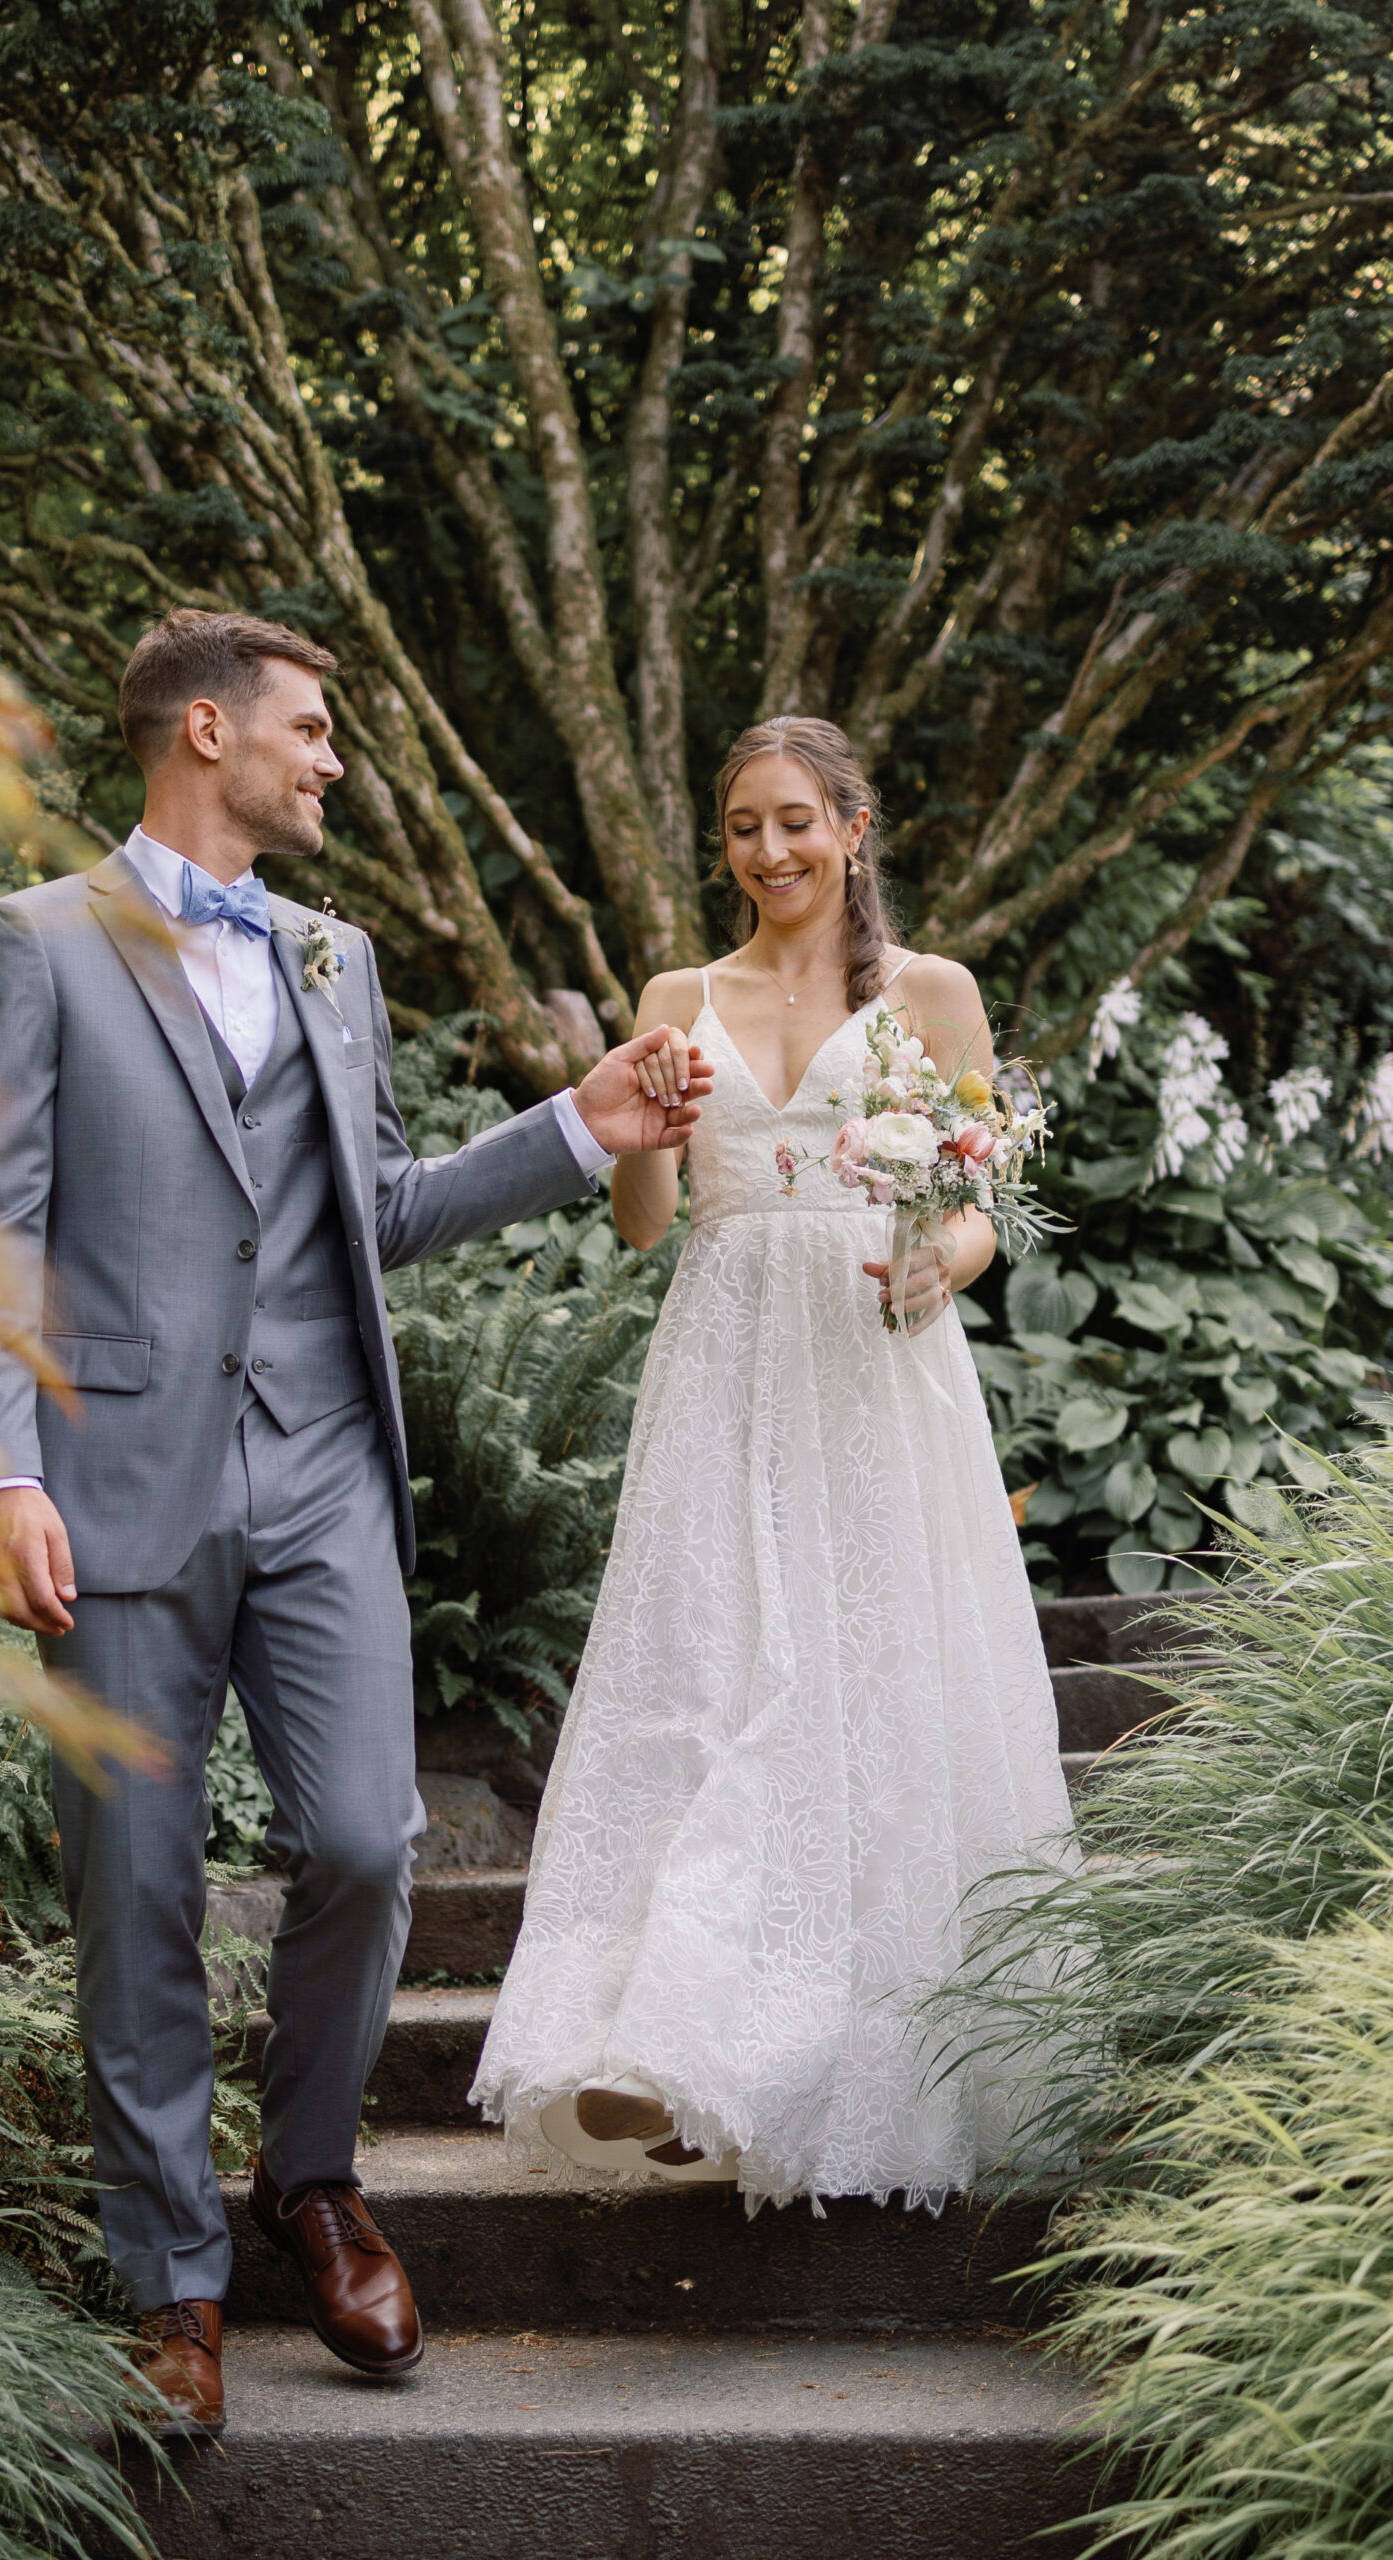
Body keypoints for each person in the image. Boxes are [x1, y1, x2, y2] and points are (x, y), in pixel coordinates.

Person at [0, 609, 713, 2429]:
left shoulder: (331, 959)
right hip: (107, 1481)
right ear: (204, 732)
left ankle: (311, 2181)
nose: (334, 759)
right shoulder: (33, 947)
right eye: (312, 729)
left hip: (317, 1474)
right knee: (133, 1893)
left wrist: (579, 1126)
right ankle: (167, 2279)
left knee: (365, 1842)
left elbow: (372, 1208)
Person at [472, 715, 1074, 2211]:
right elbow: (641, 1220)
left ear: (852, 826)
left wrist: (944, 1253)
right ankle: (663, 2035)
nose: (771, 851)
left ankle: (836, 2054)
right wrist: (636, 1132)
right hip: (726, 1361)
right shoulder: (681, 995)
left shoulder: (930, 993)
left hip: (876, 1366)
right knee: (709, 1674)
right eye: (744, 827)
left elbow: (982, 1200)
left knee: (871, 1685)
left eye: (795, 820)